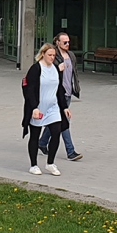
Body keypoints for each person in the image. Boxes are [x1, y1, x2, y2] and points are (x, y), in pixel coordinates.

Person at [21, 43, 70, 177]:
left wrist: (64, 107)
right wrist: (34, 108)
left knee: (56, 132)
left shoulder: (55, 68)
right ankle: (33, 165)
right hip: (38, 107)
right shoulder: (36, 69)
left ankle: (50, 163)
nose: (52, 57)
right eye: (49, 55)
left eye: (54, 55)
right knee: (35, 136)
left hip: (52, 107)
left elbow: (59, 89)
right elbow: (29, 90)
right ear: (43, 54)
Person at [38, 32, 84, 161]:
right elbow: (46, 72)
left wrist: (76, 87)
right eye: (64, 42)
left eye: (68, 42)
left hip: (68, 93)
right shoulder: (53, 56)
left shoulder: (71, 56)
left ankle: (42, 143)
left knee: (55, 120)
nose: (67, 44)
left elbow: (74, 73)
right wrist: (58, 69)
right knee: (64, 122)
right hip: (57, 93)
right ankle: (71, 151)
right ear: (57, 42)